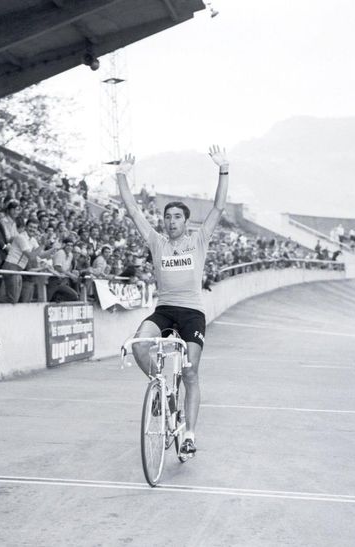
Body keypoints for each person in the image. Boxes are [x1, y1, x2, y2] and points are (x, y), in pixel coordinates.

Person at [116, 145, 229, 456]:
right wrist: (121, 175)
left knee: (191, 372)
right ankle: (164, 393)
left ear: (186, 222)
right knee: (139, 344)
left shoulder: (198, 239)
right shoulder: (157, 241)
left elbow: (219, 207)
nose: (171, 221)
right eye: (167, 217)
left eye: (177, 217)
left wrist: (223, 169)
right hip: (164, 310)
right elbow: (132, 210)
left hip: (192, 313)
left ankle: (189, 434)